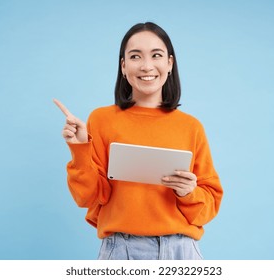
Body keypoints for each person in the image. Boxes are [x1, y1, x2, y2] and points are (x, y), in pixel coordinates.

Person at [54, 22, 223, 260]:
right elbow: (89, 197)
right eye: (135, 56)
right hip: (121, 250)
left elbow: (209, 206)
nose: (146, 66)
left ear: (170, 64)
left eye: (156, 55)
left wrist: (188, 193)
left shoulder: (191, 127)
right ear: (123, 66)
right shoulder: (102, 120)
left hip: (180, 252)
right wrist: (81, 148)